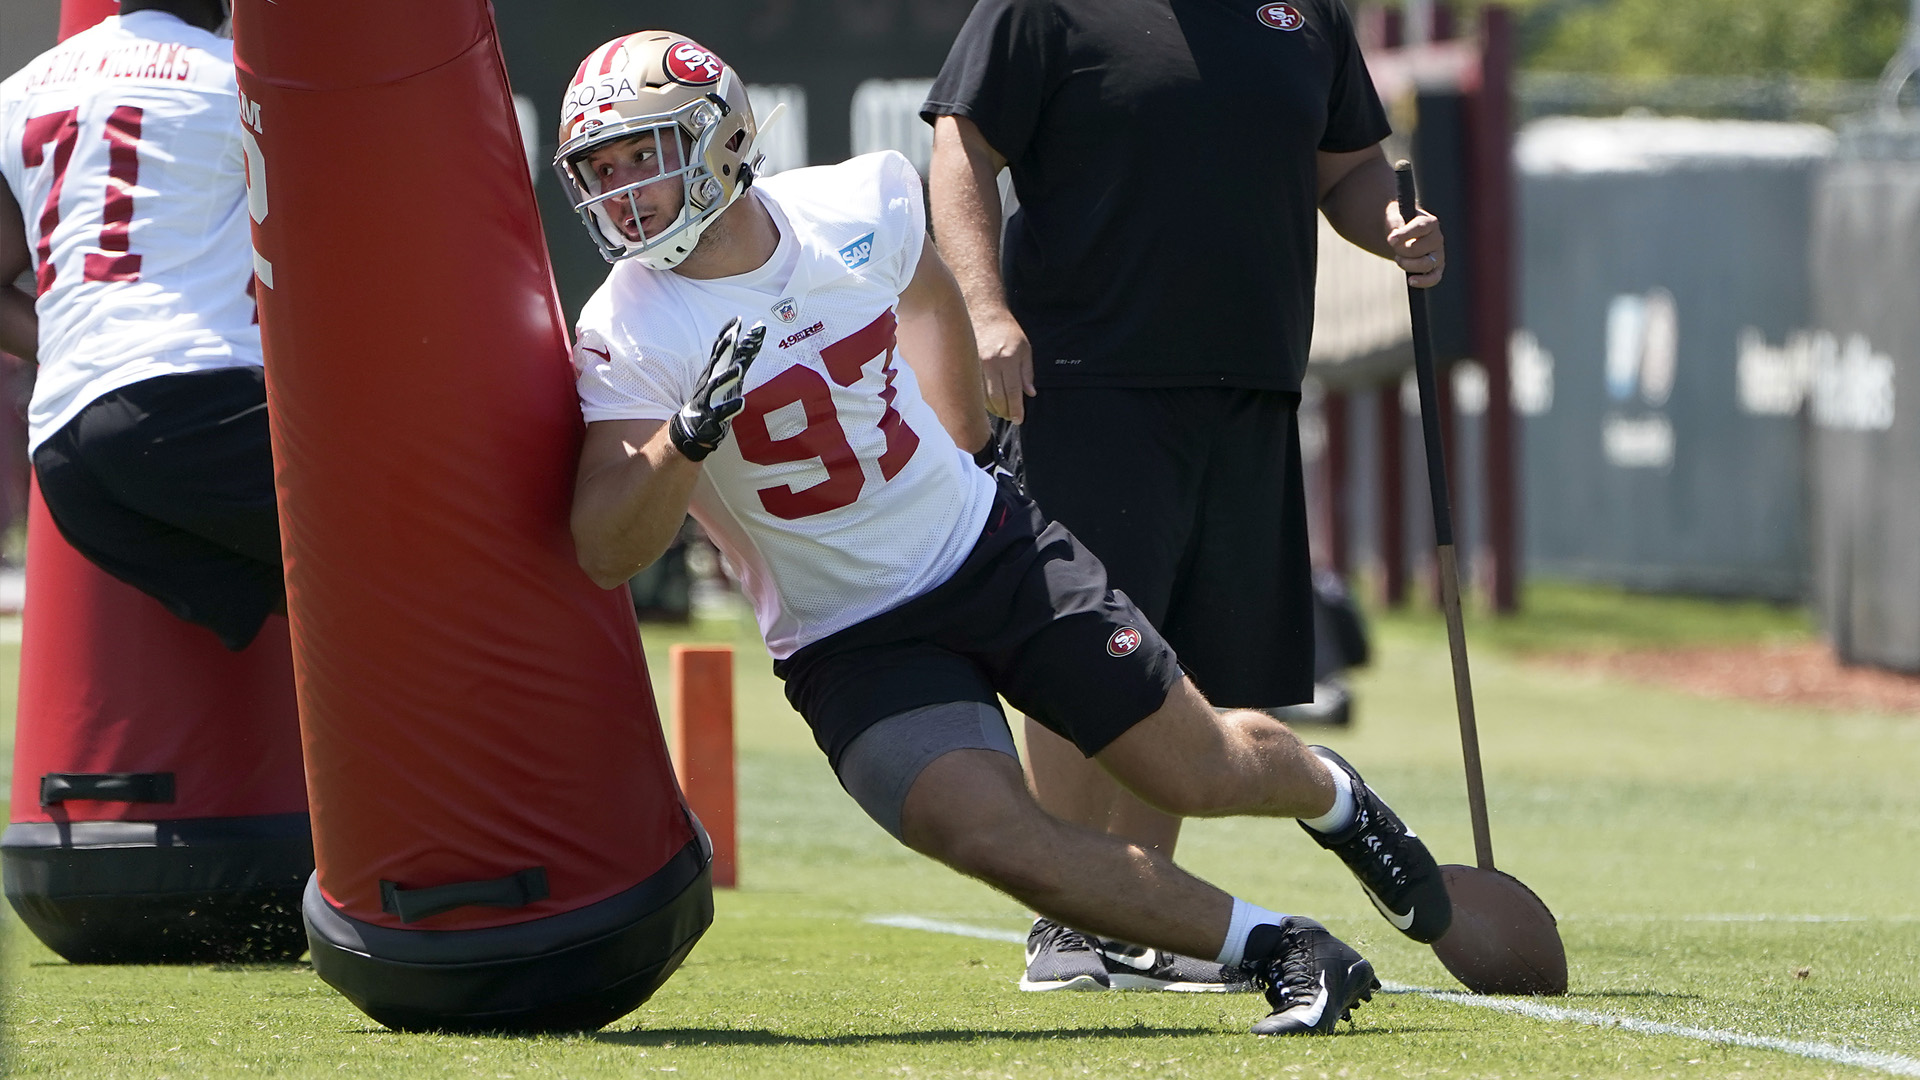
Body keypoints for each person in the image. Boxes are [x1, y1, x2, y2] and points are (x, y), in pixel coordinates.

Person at [557, 31, 1448, 1035]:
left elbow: (929, 302)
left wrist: (970, 457)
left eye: (644, 155)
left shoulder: (857, 204)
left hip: (988, 551)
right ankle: (1281, 947)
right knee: (985, 830)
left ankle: (1336, 799)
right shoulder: (626, 329)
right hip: (849, 634)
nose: (623, 190)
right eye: (601, 170)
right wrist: (682, 441)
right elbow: (605, 547)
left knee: (1194, 768)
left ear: (719, 140)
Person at [920, 0, 1448, 989]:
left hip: (1251, 384)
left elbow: (1348, 166)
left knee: (1188, 662)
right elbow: (962, 148)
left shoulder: (1305, 16)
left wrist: (1393, 227)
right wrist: (984, 306)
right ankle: (1069, 923)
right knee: (1088, 647)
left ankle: (1142, 909)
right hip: (1086, 376)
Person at [0, 0, 280, 652]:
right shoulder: (238, 80)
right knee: (417, 562)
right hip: (196, 409)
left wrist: (83, 347)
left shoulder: (21, 89)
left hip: (68, 458)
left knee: (344, 621)